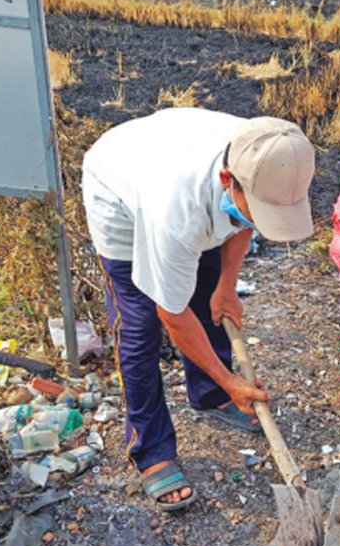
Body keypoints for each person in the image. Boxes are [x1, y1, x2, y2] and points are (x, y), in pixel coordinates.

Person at [82, 109, 315, 512]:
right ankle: (150, 448)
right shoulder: (176, 213)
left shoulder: (269, 154)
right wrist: (231, 380)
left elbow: (245, 220)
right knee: (139, 326)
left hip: (173, 167)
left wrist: (227, 285)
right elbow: (172, 316)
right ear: (228, 181)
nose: (261, 218)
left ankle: (207, 396)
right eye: (258, 208)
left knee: (206, 287)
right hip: (117, 190)